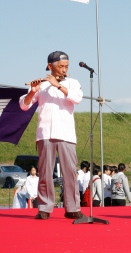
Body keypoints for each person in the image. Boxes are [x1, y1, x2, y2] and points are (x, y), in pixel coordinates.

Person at [19, 51, 85, 220]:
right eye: (61, 66)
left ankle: (72, 207)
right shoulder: (41, 85)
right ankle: (44, 208)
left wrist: (58, 85)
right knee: (45, 172)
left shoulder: (72, 82)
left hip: (66, 133)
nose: (64, 69)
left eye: (66, 66)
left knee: (70, 172)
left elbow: (77, 98)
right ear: (50, 66)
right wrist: (32, 92)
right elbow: (24, 106)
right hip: (45, 133)